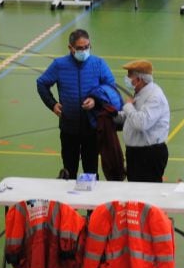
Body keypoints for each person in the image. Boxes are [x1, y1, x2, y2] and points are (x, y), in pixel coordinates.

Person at [36, 30, 123, 179]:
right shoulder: (59, 65)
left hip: (92, 129)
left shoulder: (99, 64)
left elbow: (111, 88)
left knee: (91, 172)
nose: (84, 51)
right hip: (69, 129)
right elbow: (42, 83)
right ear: (70, 48)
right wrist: (52, 104)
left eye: (87, 47)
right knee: (69, 171)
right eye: (80, 48)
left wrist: (96, 101)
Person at [119, 60, 170, 183]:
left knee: (147, 195)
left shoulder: (154, 96)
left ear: (139, 80)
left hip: (148, 155)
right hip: (136, 154)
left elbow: (141, 123)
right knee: (135, 195)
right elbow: (133, 117)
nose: (127, 78)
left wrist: (128, 107)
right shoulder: (140, 93)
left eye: (129, 75)